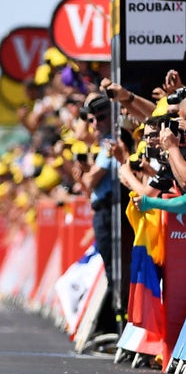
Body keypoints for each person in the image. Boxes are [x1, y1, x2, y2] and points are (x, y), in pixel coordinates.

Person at [70, 93, 118, 334]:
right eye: (92, 120)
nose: (96, 124)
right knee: (110, 268)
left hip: (110, 212)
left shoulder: (110, 142)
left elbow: (92, 179)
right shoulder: (102, 142)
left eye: (101, 117)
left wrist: (85, 176)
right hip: (102, 209)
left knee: (113, 269)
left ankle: (115, 324)